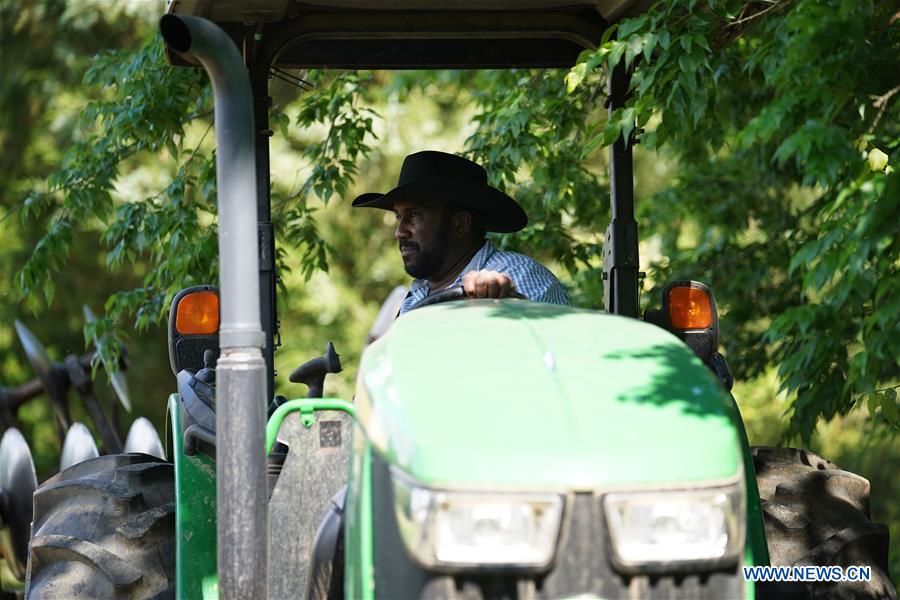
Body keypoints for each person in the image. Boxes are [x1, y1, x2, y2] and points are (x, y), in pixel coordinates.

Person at [352, 150, 568, 315]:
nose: (400, 232)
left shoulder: (519, 276)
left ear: (461, 224)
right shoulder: (414, 297)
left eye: (414, 215)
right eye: (399, 217)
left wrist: (504, 300)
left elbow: (548, 361)